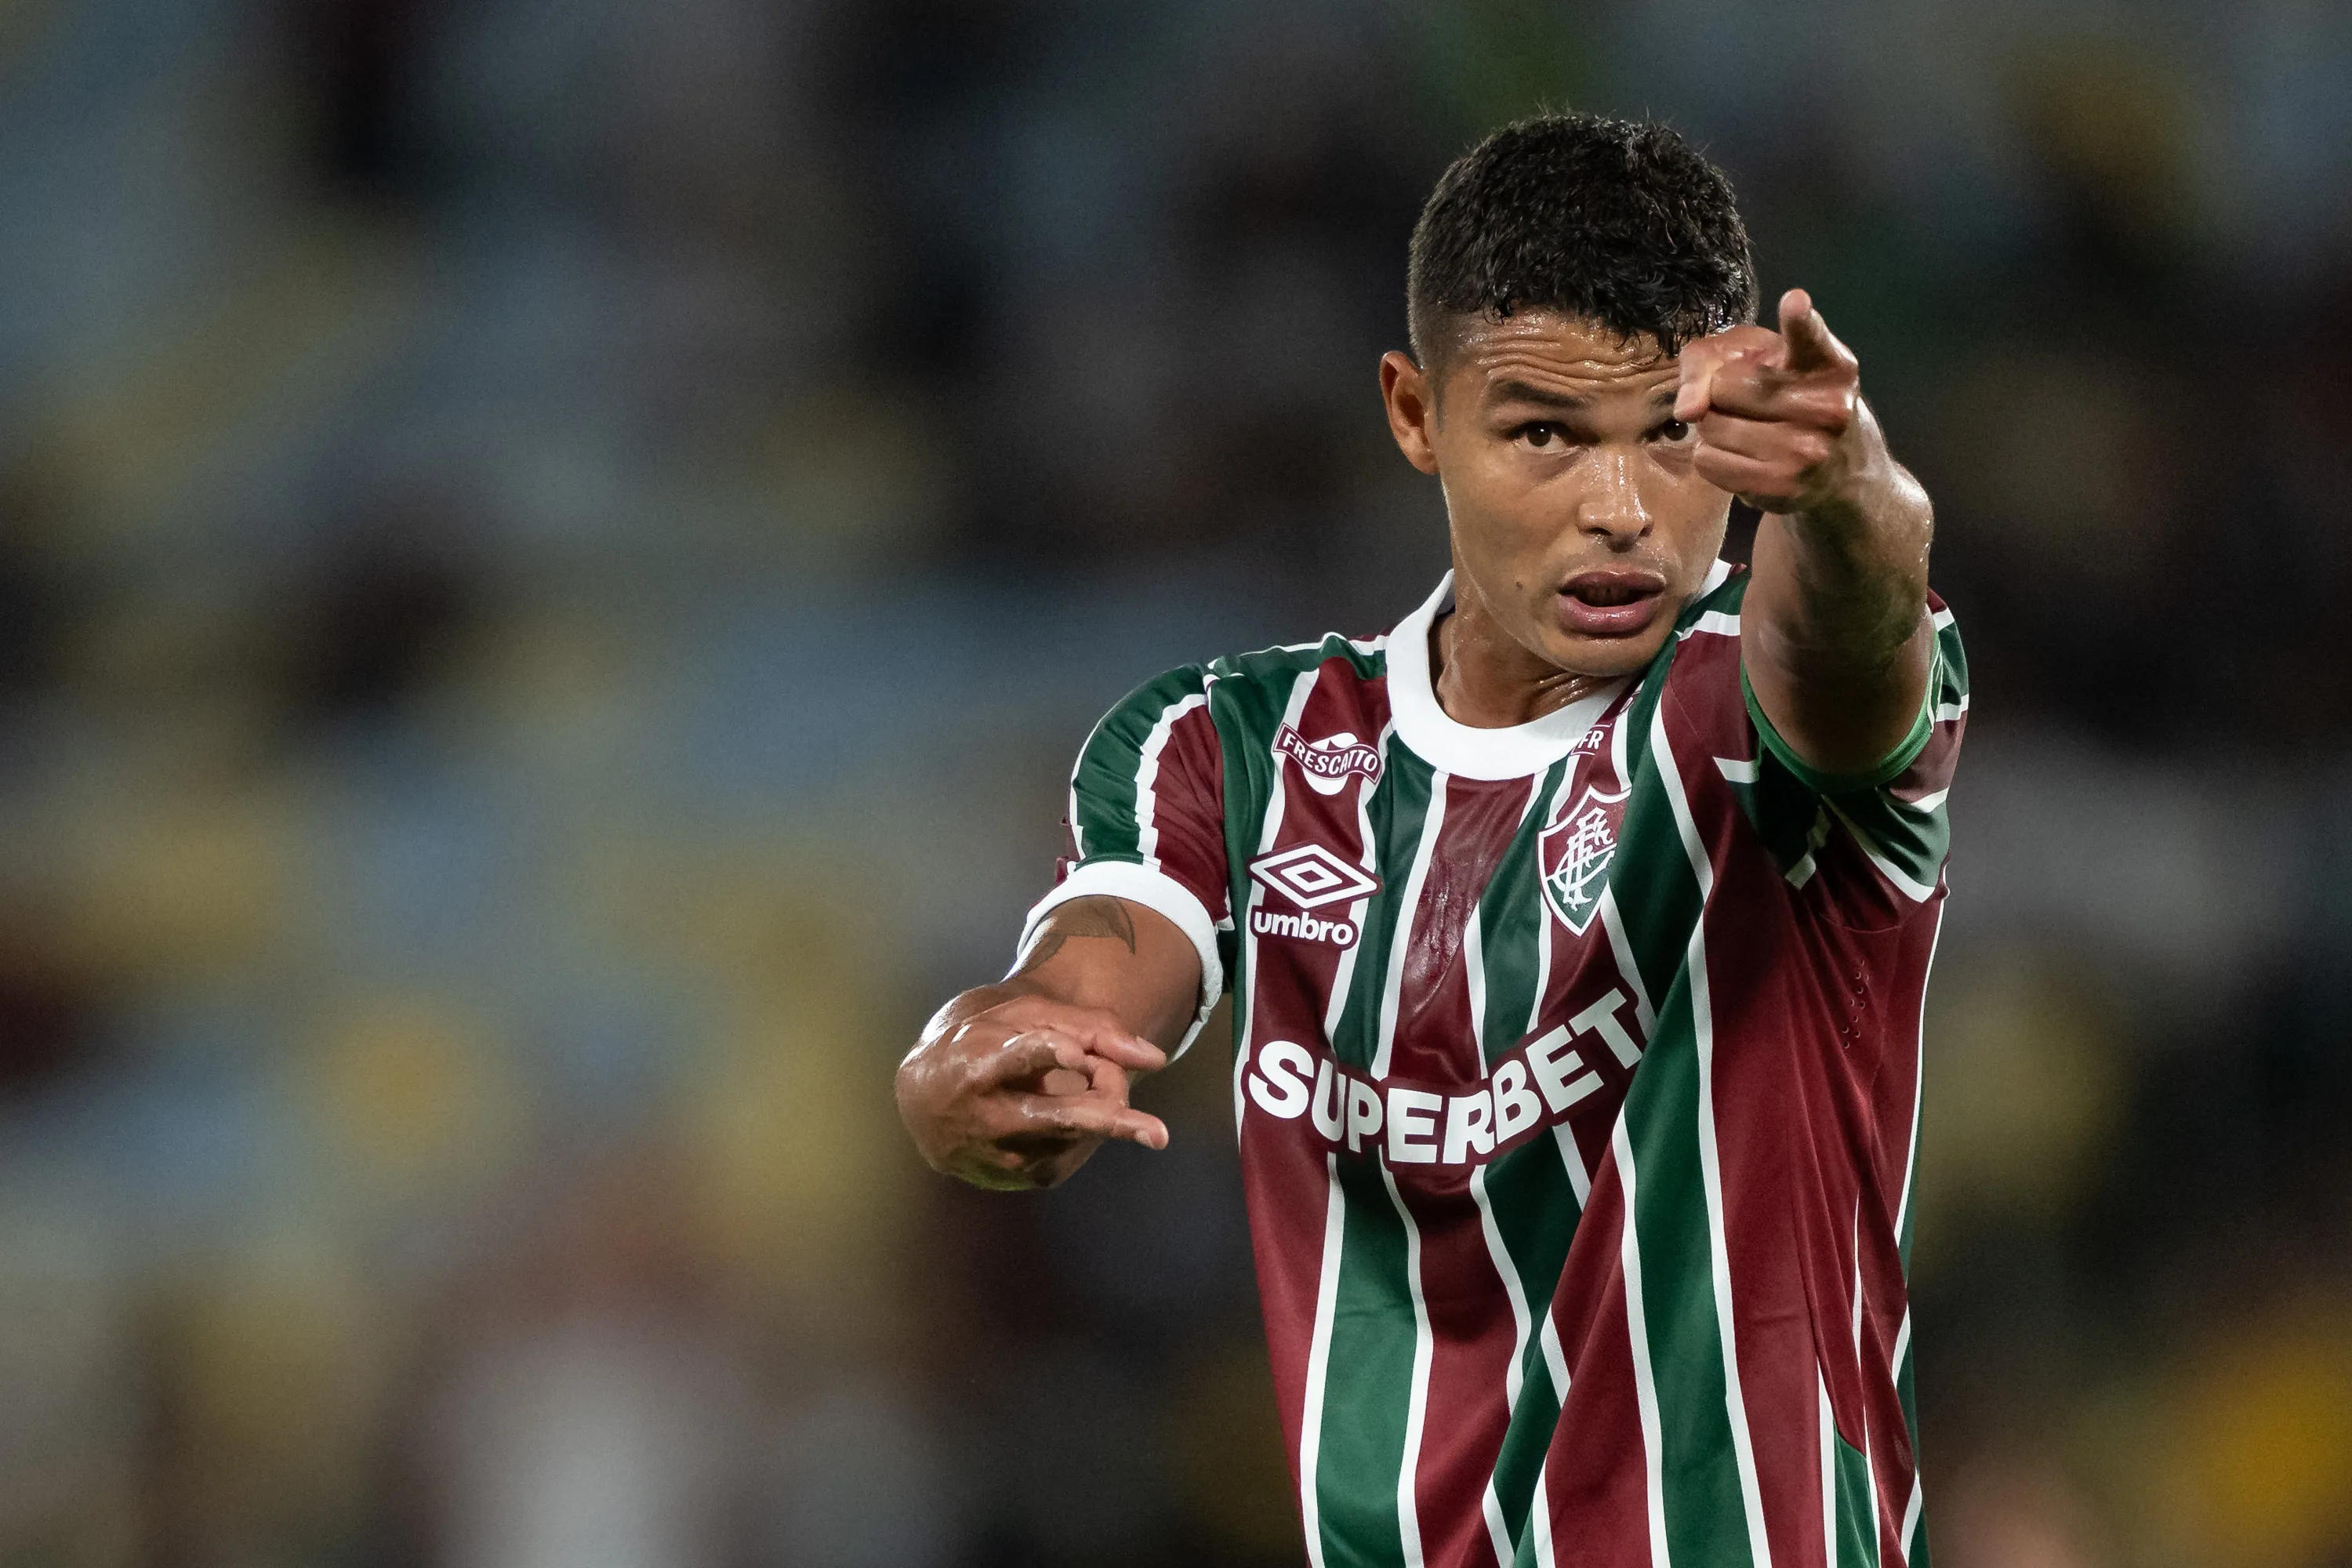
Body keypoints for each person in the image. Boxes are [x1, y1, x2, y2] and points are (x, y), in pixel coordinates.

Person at [896, 111, 1965, 1568]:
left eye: (1672, 437)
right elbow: (1093, 973)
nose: (1621, 510)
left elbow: (1859, 627)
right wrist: (975, 1058)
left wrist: (1843, 484)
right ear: (1415, 414)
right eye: (1543, 432)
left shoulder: (1751, 712)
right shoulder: (1232, 747)